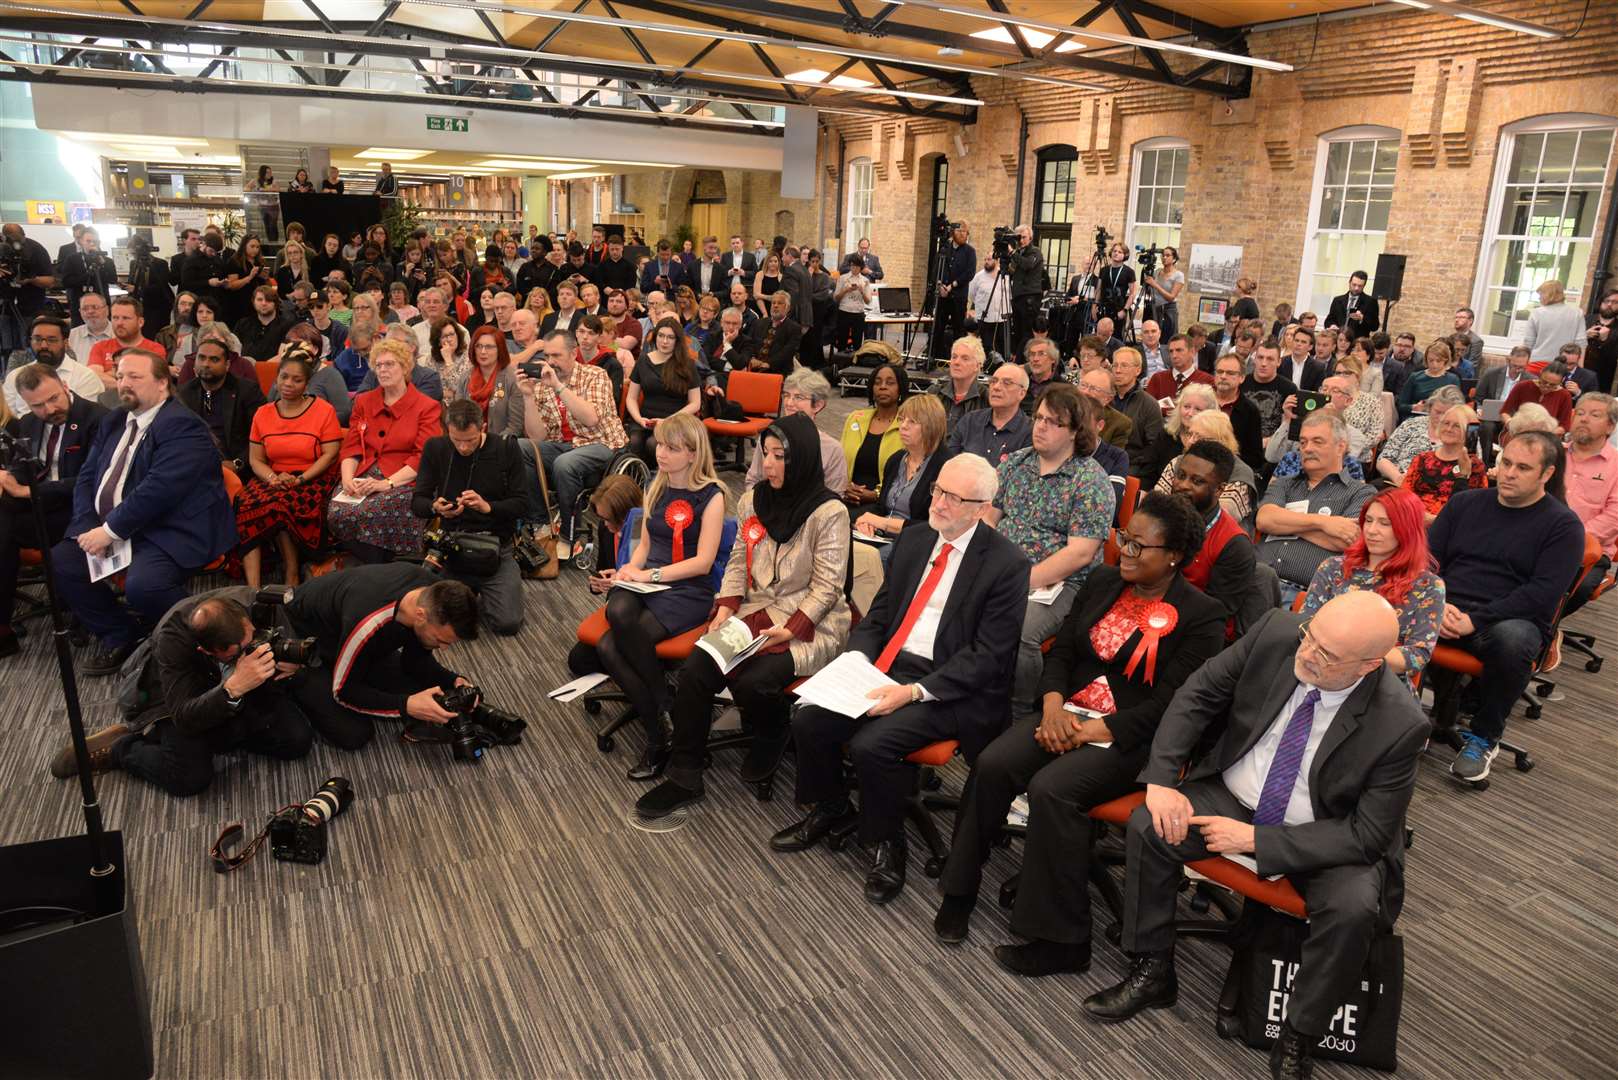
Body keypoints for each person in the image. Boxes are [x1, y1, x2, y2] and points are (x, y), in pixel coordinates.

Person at [1082, 592, 1424, 1080]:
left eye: (1327, 656)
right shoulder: (1279, 631)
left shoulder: (1400, 724)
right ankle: (1154, 969)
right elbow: (1198, 693)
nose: (1307, 654)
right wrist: (1160, 782)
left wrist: (1256, 843)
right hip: (1236, 793)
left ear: (1369, 666)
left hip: (1325, 831)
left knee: (1353, 909)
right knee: (1149, 825)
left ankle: (1298, 1035)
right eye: (1312, 637)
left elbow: (1367, 835)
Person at [934, 492, 1225, 962]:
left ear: (1173, 557)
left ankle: (1062, 941)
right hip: (1064, 714)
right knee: (992, 763)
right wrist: (1051, 707)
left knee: (1053, 788)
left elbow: (1175, 705)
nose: (1124, 553)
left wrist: (1089, 732)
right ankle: (960, 887)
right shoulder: (1105, 582)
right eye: (1124, 540)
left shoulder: (1202, 616)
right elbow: (1064, 650)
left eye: (1138, 547)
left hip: (1132, 738)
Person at [775, 455, 1030, 904]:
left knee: (873, 745)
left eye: (954, 497)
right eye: (938, 491)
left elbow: (988, 659)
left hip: (949, 686)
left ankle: (887, 843)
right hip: (890, 664)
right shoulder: (915, 538)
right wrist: (854, 662)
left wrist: (912, 692)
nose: (940, 503)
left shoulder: (1006, 564)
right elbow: (880, 615)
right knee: (808, 717)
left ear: (981, 507)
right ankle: (832, 808)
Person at [635, 412, 853, 818]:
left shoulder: (830, 512)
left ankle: (772, 730)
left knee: (756, 682)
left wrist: (791, 628)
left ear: (801, 458)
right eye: (764, 453)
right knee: (696, 670)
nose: (766, 464)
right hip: (756, 611)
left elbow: (828, 587)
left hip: (812, 622)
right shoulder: (755, 499)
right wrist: (726, 606)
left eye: (777, 456)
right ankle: (685, 775)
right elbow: (738, 560)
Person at [52, 348, 236, 674]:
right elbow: (87, 477)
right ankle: (122, 635)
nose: (124, 384)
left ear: (163, 384)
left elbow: (160, 490)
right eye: (120, 376)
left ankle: (201, 646)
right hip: (115, 524)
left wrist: (109, 531)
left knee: (145, 585)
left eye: (135, 377)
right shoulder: (113, 420)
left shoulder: (182, 425)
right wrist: (86, 524)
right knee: (63, 562)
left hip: (168, 527)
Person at [1429, 431, 1586, 780]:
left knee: (1514, 639)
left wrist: (1475, 619)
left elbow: (1542, 594)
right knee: (1378, 608)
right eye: (1507, 463)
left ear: (1546, 474)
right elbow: (1425, 560)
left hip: (1504, 621)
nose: (1510, 473)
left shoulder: (1563, 526)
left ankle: (1485, 736)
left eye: (1523, 467)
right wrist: (1436, 603)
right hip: (1445, 608)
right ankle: (1392, 716)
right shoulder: (1464, 504)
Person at [577, 412, 727, 780]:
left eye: (672, 448)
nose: (661, 453)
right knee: (617, 611)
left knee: (612, 647)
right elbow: (645, 543)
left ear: (693, 453)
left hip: (687, 589)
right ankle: (665, 706)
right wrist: (630, 570)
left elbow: (703, 562)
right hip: (649, 579)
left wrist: (648, 574)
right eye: (660, 444)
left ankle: (657, 738)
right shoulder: (657, 484)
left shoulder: (713, 495)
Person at [51, 588, 315, 791]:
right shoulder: (172, 639)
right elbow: (184, 716)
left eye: (252, 640)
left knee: (296, 741)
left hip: (236, 691)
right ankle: (122, 749)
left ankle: (215, 734)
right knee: (190, 778)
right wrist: (233, 688)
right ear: (207, 651)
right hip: (176, 697)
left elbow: (290, 650)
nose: (250, 651)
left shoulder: (259, 604)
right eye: (237, 653)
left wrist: (291, 667)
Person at [988, 385, 1115, 718]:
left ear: (1075, 432)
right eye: (1039, 418)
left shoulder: (1090, 480)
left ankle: (1019, 712)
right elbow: (987, 519)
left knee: (1022, 631)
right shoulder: (1016, 463)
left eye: (1053, 422)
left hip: (1063, 583)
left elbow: (1080, 554)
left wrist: (1020, 582)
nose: (1040, 427)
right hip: (1004, 570)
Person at [281, 564, 478, 749]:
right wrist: (405, 705)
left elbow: (415, 662)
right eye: (440, 640)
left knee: (428, 693)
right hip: (304, 636)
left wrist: (454, 680)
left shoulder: (431, 592)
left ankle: (342, 666)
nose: (444, 649)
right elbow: (343, 692)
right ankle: (298, 677)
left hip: (350, 635)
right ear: (420, 615)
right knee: (354, 734)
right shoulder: (367, 622)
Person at [0, 364, 107, 659]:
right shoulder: (27, 423)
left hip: (82, 510)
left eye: (53, 398)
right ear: (26, 403)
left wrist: (26, 491)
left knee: (3, 530)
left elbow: (95, 479)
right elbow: (23, 469)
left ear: (63, 385)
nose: (49, 409)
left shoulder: (97, 419)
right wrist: (8, 477)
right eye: (38, 405)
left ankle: (2, 627)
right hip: (40, 507)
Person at [1302, 488, 1444, 685]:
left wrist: (1349, 660)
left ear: (1407, 529)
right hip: (1320, 668)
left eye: (1385, 523)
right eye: (1368, 520)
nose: (1371, 530)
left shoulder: (1428, 585)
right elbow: (1305, 625)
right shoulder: (1334, 567)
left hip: (1379, 682)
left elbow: (1417, 655)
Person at [410, 399, 528, 636]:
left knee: (507, 623)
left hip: (496, 547)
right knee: (432, 619)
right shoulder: (436, 448)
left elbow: (522, 504)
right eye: (457, 440)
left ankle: (473, 593)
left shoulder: (506, 448)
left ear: (483, 427)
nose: (463, 447)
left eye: (470, 440)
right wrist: (436, 507)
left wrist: (488, 507)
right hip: (451, 547)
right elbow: (417, 502)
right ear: (447, 430)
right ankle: (468, 593)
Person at [231, 347, 342, 590]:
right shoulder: (263, 413)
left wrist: (300, 479)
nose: (288, 384)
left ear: (307, 383)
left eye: (297, 379)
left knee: (281, 503)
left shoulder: (323, 411)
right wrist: (271, 477)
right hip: (273, 475)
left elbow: (329, 455)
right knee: (246, 504)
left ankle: (291, 573)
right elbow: (256, 460)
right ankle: (253, 589)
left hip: (312, 475)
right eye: (284, 377)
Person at [327, 339, 442, 563]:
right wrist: (348, 479)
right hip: (364, 473)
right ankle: (375, 568)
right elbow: (351, 446)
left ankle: (378, 568)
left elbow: (422, 458)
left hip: (404, 480)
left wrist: (385, 484)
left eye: (389, 364)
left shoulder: (426, 406)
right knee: (337, 512)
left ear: (405, 367)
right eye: (378, 365)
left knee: (370, 513)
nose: (382, 370)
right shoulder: (363, 401)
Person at [518, 331, 627, 551]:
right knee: (520, 447)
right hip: (562, 446)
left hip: (600, 443)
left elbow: (591, 419)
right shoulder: (540, 384)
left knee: (564, 463)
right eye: (547, 356)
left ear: (573, 353)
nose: (550, 362)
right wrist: (528, 396)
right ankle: (542, 524)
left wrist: (559, 387)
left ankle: (570, 534)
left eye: (556, 355)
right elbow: (537, 437)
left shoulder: (595, 375)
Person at [1255, 412, 1375, 604]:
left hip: (1306, 595)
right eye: (1303, 442)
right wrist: (1324, 523)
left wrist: (1285, 523)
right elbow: (1265, 520)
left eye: (1317, 442)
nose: (1307, 448)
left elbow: (1347, 539)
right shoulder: (1284, 483)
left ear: (1340, 446)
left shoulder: (1361, 492)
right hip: (1255, 582)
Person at [1170, 440, 1258, 630]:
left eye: (1197, 481)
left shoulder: (1234, 544)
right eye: (1181, 475)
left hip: (1192, 629)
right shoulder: (1157, 516)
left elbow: (1215, 612)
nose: (1182, 485)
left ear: (1219, 489)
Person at [854, 394, 953, 552]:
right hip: (882, 536)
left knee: (871, 557)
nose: (903, 426)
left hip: (917, 544)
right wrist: (865, 521)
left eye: (912, 422)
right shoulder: (896, 459)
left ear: (931, 426)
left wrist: (883, 523)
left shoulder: (946, 466)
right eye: (901, 419)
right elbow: (881, 508)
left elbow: (934, 525)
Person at [177, 333, 266, 478]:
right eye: (201, 358)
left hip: (236, 467)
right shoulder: (184, 392)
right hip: (193, 466)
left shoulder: (247, 391)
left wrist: (238, 463)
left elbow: (262, 434)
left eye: (214, 359)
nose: (206, 364)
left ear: (227, 365)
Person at [744, 368, 846, 494]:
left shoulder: (832, 449)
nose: (789, 403)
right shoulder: (769, 439)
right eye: (787, 395)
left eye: (798, 397)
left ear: (818, 405)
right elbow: (753, 480)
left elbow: (836, 496)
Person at [1153, 408, 1258, 526]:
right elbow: (1156, 502)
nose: (1191, 441)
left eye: (1199, 437)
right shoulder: (1178, 462)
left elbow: (1221, 517)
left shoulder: (1240, 472)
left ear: (1221, 441)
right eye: (1190, 434)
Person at [1563, 393, 1618, 617]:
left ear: (1611, 427)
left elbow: (1614, 517)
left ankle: (1544, 633)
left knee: (1579, 587)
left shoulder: (1616, 466)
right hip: (1538, 541)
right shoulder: (1552, 454)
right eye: (1580, 413)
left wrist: (1570, 537)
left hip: (1589, 551)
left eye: (1595, 415)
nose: (1584, 419)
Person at [625, 317, 701, 464]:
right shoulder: (643, 360)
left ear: (677, 340)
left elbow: (695, 403)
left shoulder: (687, 364)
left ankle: (659, 482)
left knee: (654, 445)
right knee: (633, 442)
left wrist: (668, 421)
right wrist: (639, 418)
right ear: (655, 337)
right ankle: (637, 481)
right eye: (661, 336)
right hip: (645, 420)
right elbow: (631, 398)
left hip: (676, 421)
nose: (664, 341)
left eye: (670, 337)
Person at [4, 315, 104, 416]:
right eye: (37, 339)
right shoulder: (15, 376)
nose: (43, 345)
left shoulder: (85, 377)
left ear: (65, 343)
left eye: (51, 340)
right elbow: (7, 419)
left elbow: (86, 419)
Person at [1401, 403, 1484, 523]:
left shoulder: (1473, 465)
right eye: (1446, 423)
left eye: (1456, 426)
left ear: (1467, 432)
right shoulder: (1422, 459)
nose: (1449, 429)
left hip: (1449, 525)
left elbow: (1473, 508)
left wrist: (1435, 521)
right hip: (1413, 520)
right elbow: (1404, 496)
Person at [840, 358, 906, 508]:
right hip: (847, 496)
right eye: (877, 382)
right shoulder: (855, 418)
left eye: (890, 383)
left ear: (900, 388)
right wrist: (845, 487)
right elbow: (840, 461)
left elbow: (906, 476)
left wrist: (876, 495)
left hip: (885, 502)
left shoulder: (906, 425)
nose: (882, 387)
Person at [948, 361, 1031, 467]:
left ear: (1022, 393)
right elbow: (948, 463)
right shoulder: (970, 420)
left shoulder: (1029, 433)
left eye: (1006, 383)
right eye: (994, 381)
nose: (996, 387)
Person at [1377, 384, 1463, 486]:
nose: (1441, 418)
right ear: (1430, 408)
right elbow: (1383, 459)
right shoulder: (1411, 425)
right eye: (1437, 412)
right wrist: (1398, 478)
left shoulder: (1462, 434)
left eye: (1446, 414)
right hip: (1397, 483)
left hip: (1439, 490)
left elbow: (1470, 470)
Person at [1140, 382, 1219, 491]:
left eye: (1198, 409)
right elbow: (1148, 474)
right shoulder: (1166, 435)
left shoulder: (1214, 443)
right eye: (1186, 407)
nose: (1190, 413)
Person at [87, 298, 167, 392]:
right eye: (115, 318)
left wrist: (109, 374)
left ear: (140, 322)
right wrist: (130, 381)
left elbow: (151, 383)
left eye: (125, 318)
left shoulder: (155, 349)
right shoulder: (99, 347)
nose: (119, 323)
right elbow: (93, 377)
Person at [0, 223, 57, 351]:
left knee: (27, 347)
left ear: (23, 235)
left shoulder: (35, 249)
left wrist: (32, 279)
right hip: (4, 307)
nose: (14, 243)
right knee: (6, 348)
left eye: (18, 239)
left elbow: (50, 280)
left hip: (29, 309)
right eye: (9, 239)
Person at [1111, 348, 1164, 474]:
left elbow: (1154, 448)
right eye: (1115, 365)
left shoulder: (1149, 404)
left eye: (1124, 366)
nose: (1118, 370)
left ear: (1138, 370)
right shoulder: (1104, 397)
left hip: (1130, 466)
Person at [1210, 350, 1263, 471]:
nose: (1223, 376)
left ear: (1242, 378)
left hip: (1231, 471)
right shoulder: (1201, 401)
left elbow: (1255, 457)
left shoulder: (1250, 411)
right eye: (1219, 372)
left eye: (1230, 373)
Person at [928, 335, 988, 434]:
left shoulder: (987, 399)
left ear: (978, 366)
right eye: (954, 357)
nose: (956, 362)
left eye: (965, 358)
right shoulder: (934, 393)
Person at [57, 227, 118, 325]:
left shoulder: (107, 261)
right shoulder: (72, 259)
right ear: (81, 241)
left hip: (101, 305)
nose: (92, 244)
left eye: (95, 241)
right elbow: (66, 282)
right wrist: (87, 275)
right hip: (80, 305)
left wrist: (103, 264)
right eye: (88, 241)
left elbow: (113, 279)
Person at [1144, 333, 1215, 416]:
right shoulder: (1158, 379)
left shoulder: (1207, 381)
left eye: (1179, 350)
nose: (1174, 355)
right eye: (1171, 351)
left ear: (1192, 352)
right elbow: (1147, 411)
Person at [1396, 339, 1462, 422]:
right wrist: (1413, 407)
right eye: (1431, 360)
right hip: (1417, 419)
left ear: (1445, 360)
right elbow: (1401, 405)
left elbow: (1457, 407)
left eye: (1438, 361)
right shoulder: (1415, 377)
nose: (1434, 364)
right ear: (1426, 359)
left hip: (1442, 420)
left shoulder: (1453, 379)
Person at [1522, 279, 1586, 364]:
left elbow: (1528, 342)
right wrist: (1580, 367)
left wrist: (1523, 363)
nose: (1539, 297)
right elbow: (1581, 343)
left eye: (1541, 294)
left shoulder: (1536, 313)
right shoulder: (1577, 313)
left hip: (1537, 363)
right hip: (1564, 364)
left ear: (1549, 294)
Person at [1502, 359, 1573, 433]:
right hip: (1517, 431)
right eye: (1544, 382)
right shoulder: (1523, 386)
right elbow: (1505, 411)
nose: (1546, 387)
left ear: (1561, 382)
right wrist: (1511, 424)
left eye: (1553, 385)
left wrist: (1549, 433)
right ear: (1540, 374)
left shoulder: (1564, 395)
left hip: (1546, 435)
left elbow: (1565, 425)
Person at [1008, 225, 1045, 359]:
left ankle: (1024, 360)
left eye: (1024, 237)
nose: (1021, 240)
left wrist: (1012, 253)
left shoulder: (1035, 252)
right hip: (1018, 297)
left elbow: (1027, 264)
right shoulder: (1019, 253)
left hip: (1030, 298)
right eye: (1019, 237)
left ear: (1030, 237)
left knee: (1026, 332)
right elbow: (1013, 271)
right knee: (1017, 330)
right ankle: (1016, 357)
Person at [966, 253, 1012, 356]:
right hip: (985, 319)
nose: (986, 262)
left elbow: (1010, 295)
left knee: (1001, 347)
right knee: (987, 347)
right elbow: (972, 294)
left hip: (1002, 319)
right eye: (985, 259)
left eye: (989, 259)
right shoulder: (978, 277)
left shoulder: (1006, 275)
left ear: (996, 261)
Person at [751, 290, 803, 377]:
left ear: (788, 308)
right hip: (754, 367)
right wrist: (752, 358)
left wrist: (769, 364)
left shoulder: (794, 328)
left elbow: (787, 352)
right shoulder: (759, 323)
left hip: (777, 371)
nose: (775, 305)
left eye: (780, 303)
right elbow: (751, 343)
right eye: (773, 303)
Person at [1142, 246, 1185, 340]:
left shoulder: (1178, 275)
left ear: (1174, 259)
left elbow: (1171, 297)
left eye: (1167, 255)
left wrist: (1155, 284)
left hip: (1168, 310)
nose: (1164, 257)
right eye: (1163, 255)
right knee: (1153, 337)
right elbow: (1149, 290)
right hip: (1155, 309)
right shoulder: (1157, 272)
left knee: (1167, 339)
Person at [832, 255, 873, 353]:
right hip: (844, 311)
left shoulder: (865, 280)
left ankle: (855, 364)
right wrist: (845, 290)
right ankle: (840, 363)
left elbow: (868, 301)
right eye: (852, 266)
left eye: (856, 266)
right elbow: (835, 298)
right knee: (841, 341)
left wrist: (862, 291)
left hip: (858, 313)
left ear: (860, 267)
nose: (853, 268)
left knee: (857, 343)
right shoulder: (842, 278)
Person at [1325, 269, 1380, 341]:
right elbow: (1329, 320)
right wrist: (1332, 325)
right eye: (1354, 285)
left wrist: (1362, 319)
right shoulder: (1337, 300)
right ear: (1349, 282)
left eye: (1360, 286)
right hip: (1338, 340)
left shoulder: (1370, 302)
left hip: (1357, 342)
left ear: (1364, 286)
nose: (1356, 288)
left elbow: (1375, 326)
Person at [65, 292, 113, 367]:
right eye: (85, 309)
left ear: (107, 310)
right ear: (80, 312)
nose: (90, 312)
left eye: (95, 307)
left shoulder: (120, 334)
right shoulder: (71, 336)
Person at [1585, 288, 1617, 393]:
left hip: (1603, 379)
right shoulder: (1586, 319)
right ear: (1600, 302)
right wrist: (1585, 336)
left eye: (1615, 302)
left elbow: (1614, 358)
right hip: (1580, 373)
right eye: (1606, 301)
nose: (1609, 304)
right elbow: (1570, 344)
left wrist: (1604, 341)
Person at [1280, 326, 1327, 392]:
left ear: (1310, 347)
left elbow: (1318, 393)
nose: (1298, 344)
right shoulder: (1281, 362)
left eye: (1303, 342)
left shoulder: (1318, 368)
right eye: (1296, 340)